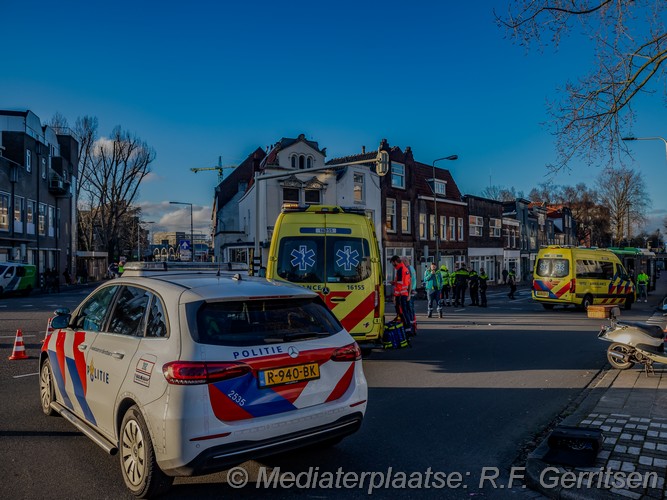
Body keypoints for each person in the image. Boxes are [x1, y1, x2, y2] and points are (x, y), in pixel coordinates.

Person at [390, 255, 414, 336]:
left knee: (401, 311)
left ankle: (407, 328)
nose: (393, 265)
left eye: (393, 263)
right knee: (405, 311)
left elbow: (399, 285)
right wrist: (394, 282)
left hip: (401, 294)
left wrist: (394, 296)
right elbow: (407, 282)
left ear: (395, 262)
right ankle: (408, 328)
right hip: (404, 293)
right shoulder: (404, 268)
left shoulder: (400, 270)